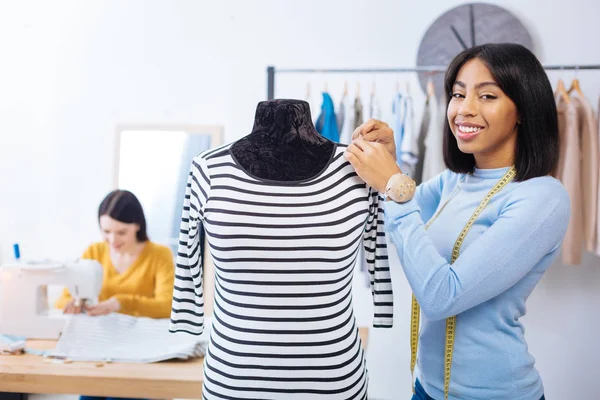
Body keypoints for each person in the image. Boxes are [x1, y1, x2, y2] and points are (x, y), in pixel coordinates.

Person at [345, 43, 570, 400]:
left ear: (523, 109)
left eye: (487, 96)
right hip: (427, 388)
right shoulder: (454, 181)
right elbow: (394, 222)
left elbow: (440, 296)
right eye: (458, 94)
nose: (464, 109)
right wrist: (390, 166)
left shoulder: (542, 198)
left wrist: (394, 183)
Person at [55, 189, 175, 318]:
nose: (113, 240)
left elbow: (167, 306)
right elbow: (62, 301)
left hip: (142, 334)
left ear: (138, 226)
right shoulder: (94, 252)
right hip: (99, 332)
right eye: (106, 231)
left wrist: (120, 303)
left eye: (121, 232)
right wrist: (77, 304)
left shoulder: (160, 254)